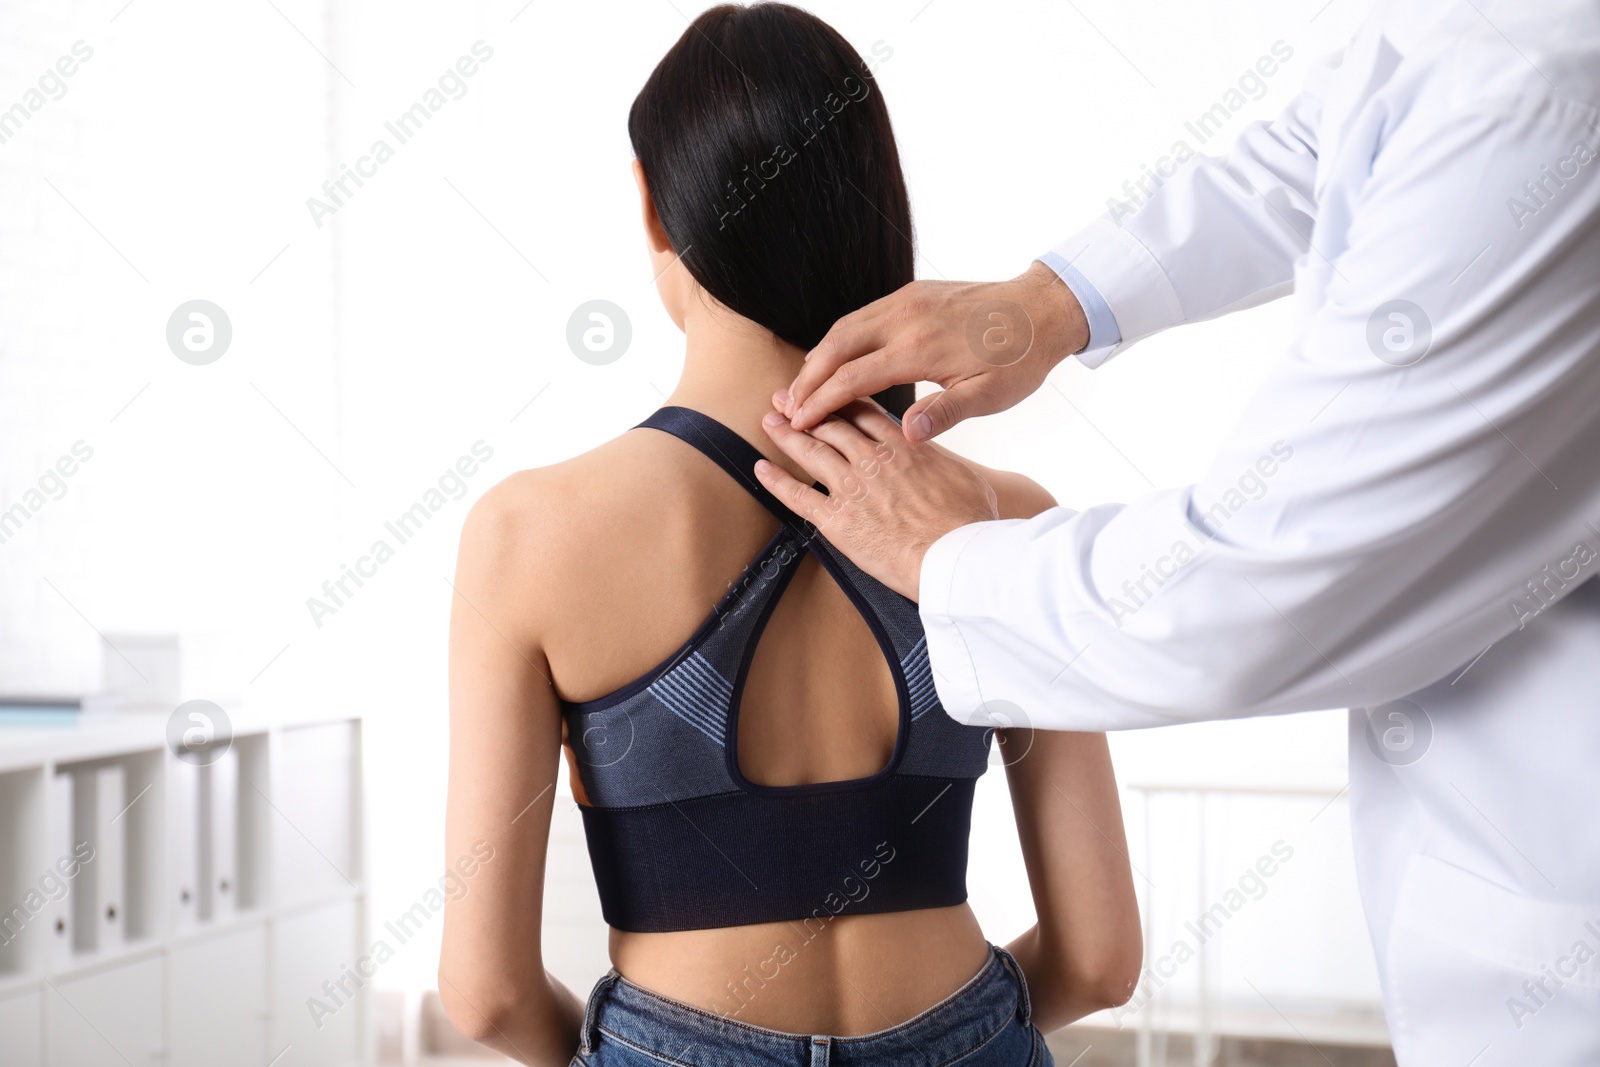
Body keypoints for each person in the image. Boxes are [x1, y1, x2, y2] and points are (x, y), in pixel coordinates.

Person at [750, 1, 1600, 1064]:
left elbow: (1269, 588)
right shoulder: (1493, 51)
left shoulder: (1537, 89)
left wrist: (948, 559)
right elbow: (1331, 130)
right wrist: (1048, 302)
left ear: (652, 213)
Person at [437, 6, 1141, 1065]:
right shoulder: (1005, 518)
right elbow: (1097, 958)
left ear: (652, 207)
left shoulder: (530, 532)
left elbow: (485, 995)